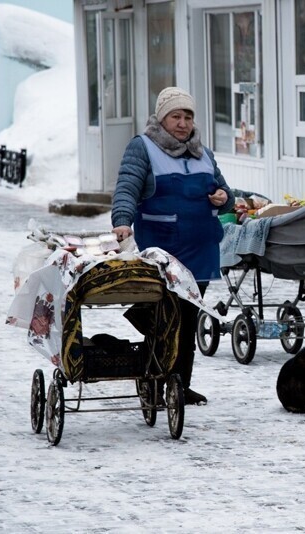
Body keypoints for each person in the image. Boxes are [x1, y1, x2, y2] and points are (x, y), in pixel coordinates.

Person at [112, 87, 235, 404]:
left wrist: (223, 197)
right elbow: (127, 187)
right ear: (161, 118)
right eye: (176, 116)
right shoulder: (143, 148)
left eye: (188, 116)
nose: (183, 123)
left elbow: (225, 195)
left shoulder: (203, 152)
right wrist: (122, 221)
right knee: (166, 319)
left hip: (201, 250)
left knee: (188, 320)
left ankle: (180, 384)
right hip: (163, 252)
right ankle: (156, 382)